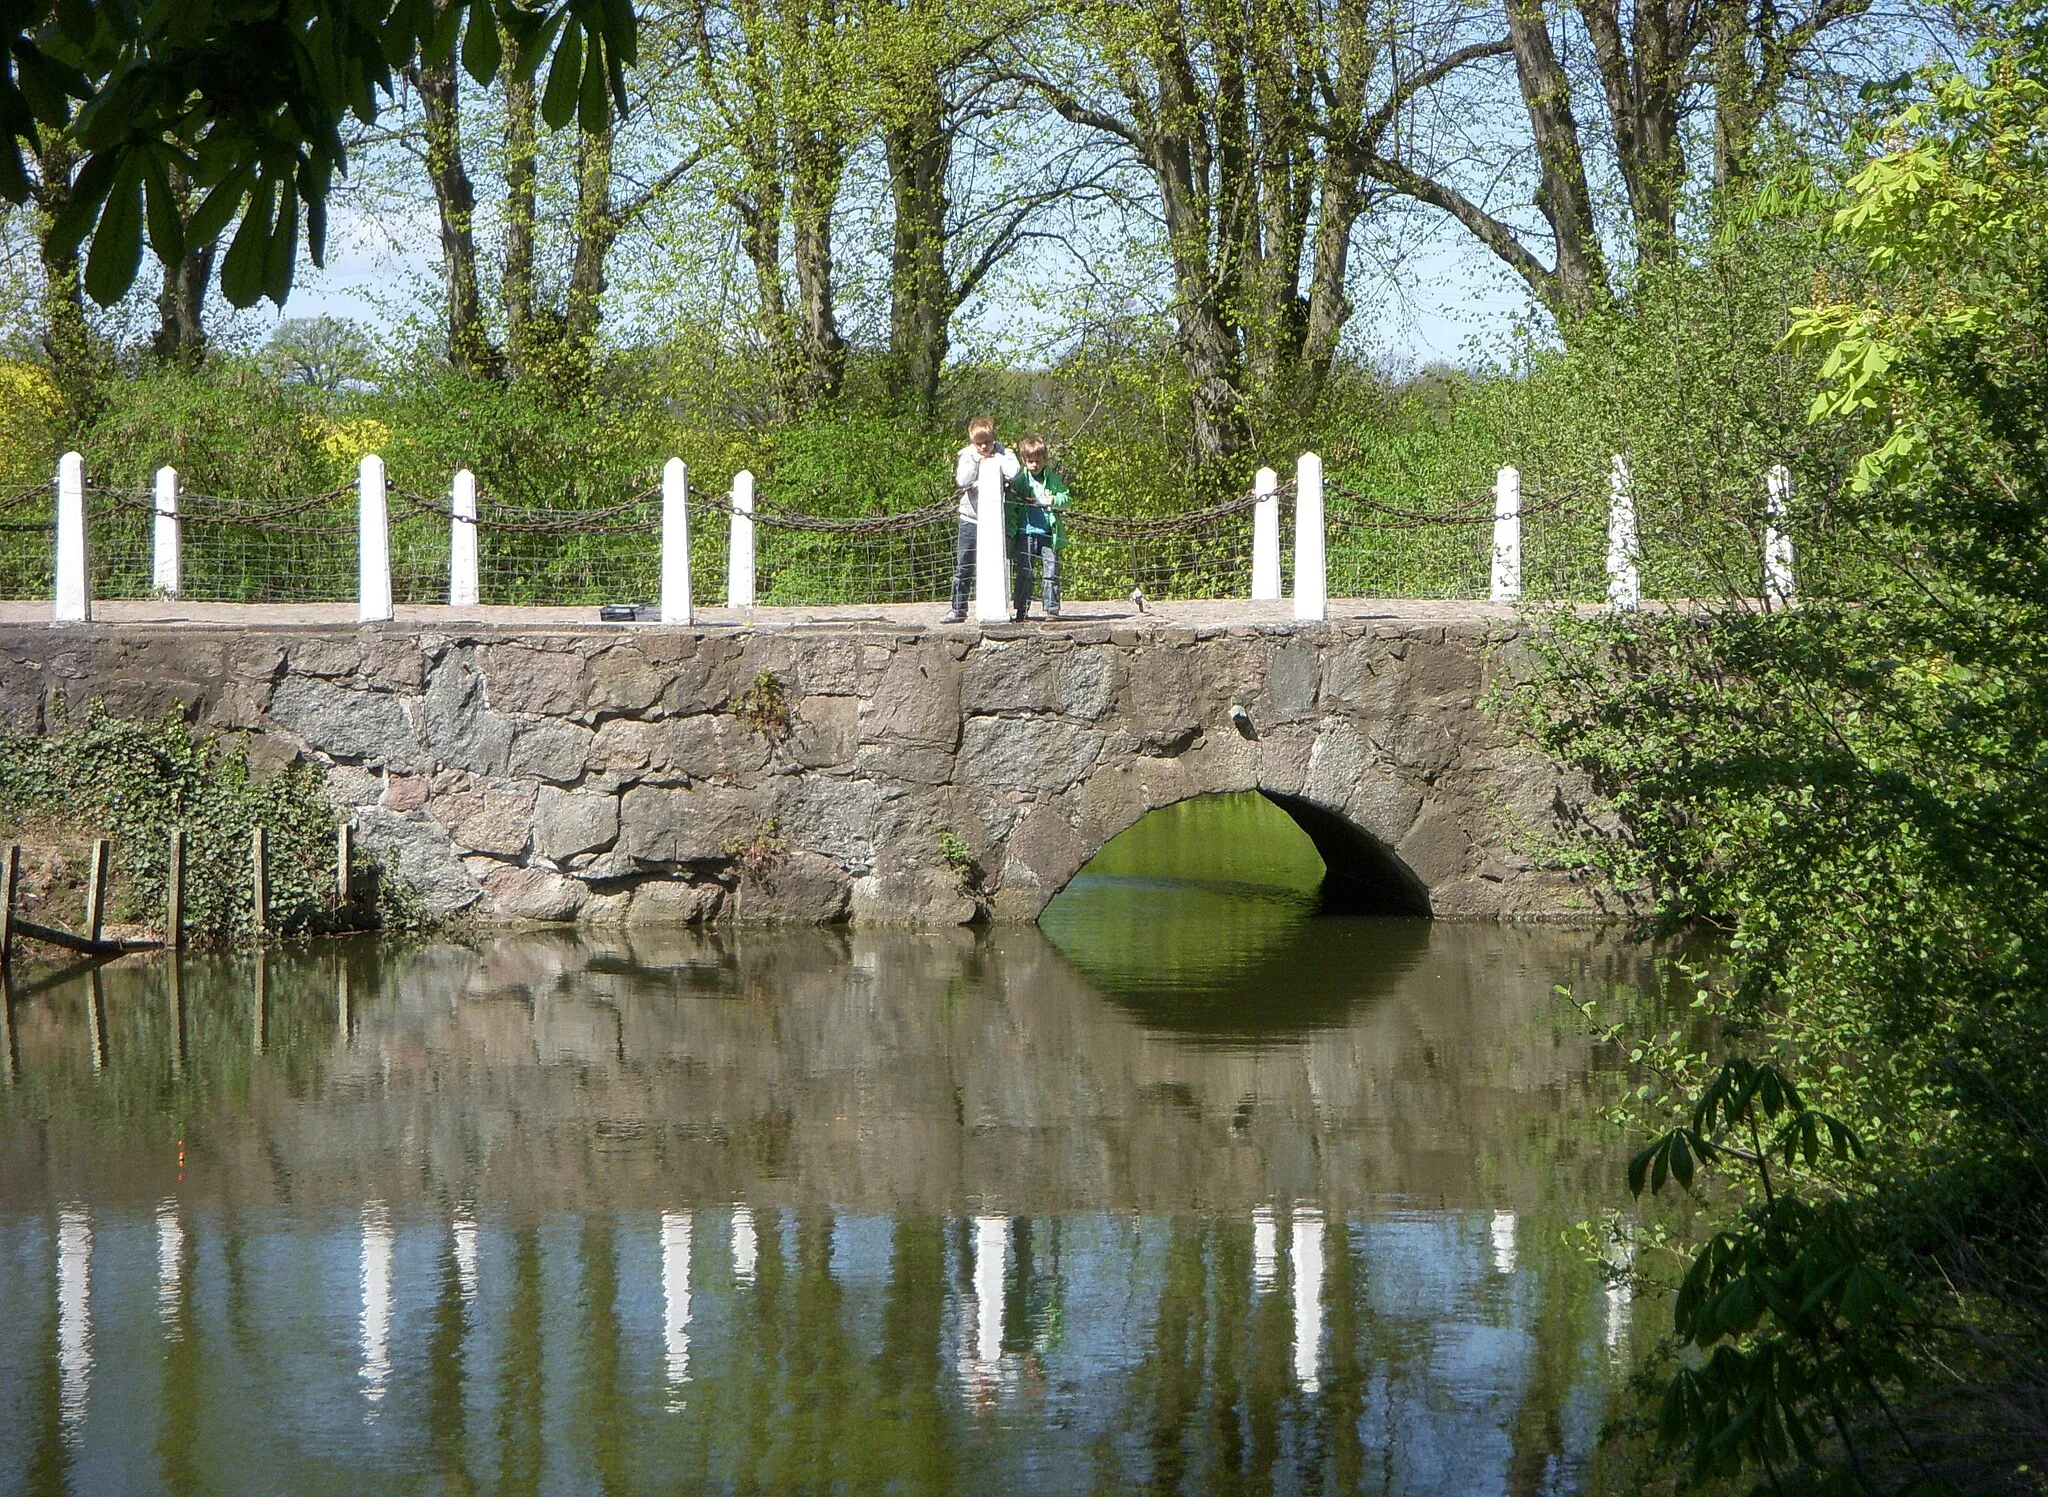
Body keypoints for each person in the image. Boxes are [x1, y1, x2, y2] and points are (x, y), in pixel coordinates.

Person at [943, 416, 1020, 624]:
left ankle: (1001, 607)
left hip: (997, 522)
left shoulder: (1005, 453)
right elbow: (962, 480)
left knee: (1000, 563)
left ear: (994, 437)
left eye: (987, 442)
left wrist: (997, 458)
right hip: (971, 518)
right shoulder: (967, 455)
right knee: (964, 564)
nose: (984, 446)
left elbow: (1014, 473)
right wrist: (977, 461)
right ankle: (958, 608)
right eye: (979, 443)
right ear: (972, 441)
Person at [1006, 435, 1069, 621]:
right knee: (1025, 572)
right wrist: (1010, 531)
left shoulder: (1053, 480)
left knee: (1051, 572)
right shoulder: (1020, 481)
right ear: (1024, 461)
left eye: (1038, 461)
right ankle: (1021, 609)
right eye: (1030, 461)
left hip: (1049, 533)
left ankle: (1052, 609)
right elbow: (1011, 505)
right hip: (1026, 533)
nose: (1034, 465)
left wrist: (1055, 500)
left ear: (1045, 460)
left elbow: (1067, 499)